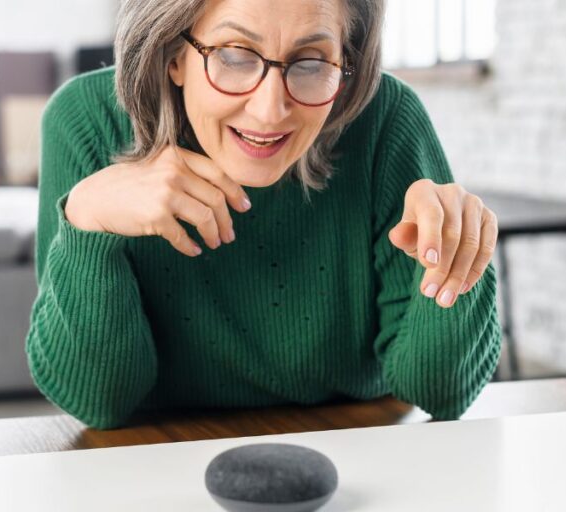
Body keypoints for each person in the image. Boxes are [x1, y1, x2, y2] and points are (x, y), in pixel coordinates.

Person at [25, 0, 501, 430]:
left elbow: (442, 394)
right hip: (151, 458)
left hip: (353, 445)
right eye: (234, 56)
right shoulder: (84, 121)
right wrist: (88, 221)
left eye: (311, 62)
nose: (271, 111)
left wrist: (456, 261)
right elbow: (97, 402)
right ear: (173, 53)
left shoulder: (385, 120)